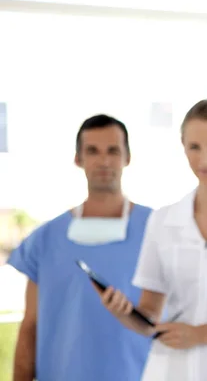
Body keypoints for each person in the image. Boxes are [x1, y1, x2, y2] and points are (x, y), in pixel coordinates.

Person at [96, 99, 207, 381]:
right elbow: (150, 314)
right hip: (169, 371)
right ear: (183, 146)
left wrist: (200, 334)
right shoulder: (163, 221)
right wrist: (124, 312)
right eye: (194, 147)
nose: (204, 160)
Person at [7, 114, 153, 381]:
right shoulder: (46, 239)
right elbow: (30, 326)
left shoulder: (157, 230)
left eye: (113, 150)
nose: (104, 160)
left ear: (127, 157)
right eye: (93, 151)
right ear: (78, 159)